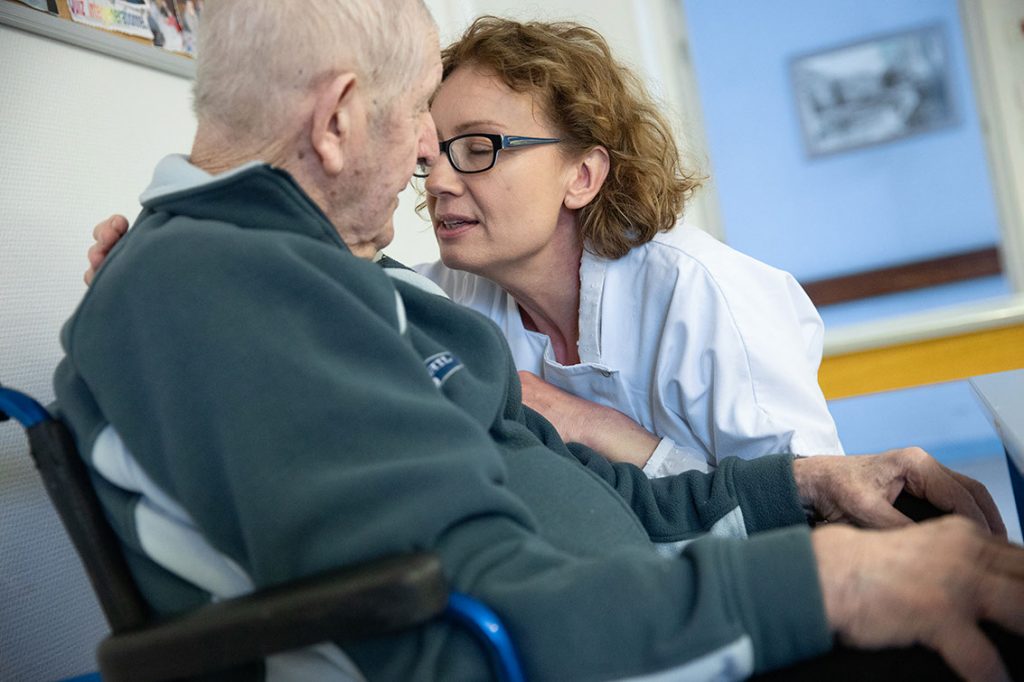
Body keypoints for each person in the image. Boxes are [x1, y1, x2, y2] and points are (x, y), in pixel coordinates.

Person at [62, 1, 1022, 681]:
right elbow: (480, 622)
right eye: (420, 122)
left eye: (464, 143)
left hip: (639, 604)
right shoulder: (232, 285)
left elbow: (615, 504)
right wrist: (837, 580)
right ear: (342, 118)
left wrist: (809, 485)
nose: (425, 168)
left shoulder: (348, 283)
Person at [88, 18, 844, 479]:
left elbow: (819, 516)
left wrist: (600, 430)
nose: (439, 178)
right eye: (432, 148)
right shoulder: (451, 293)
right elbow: (306, 299)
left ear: (582, 174)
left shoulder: (708, 297)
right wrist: (158, 267)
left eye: (478, 147)